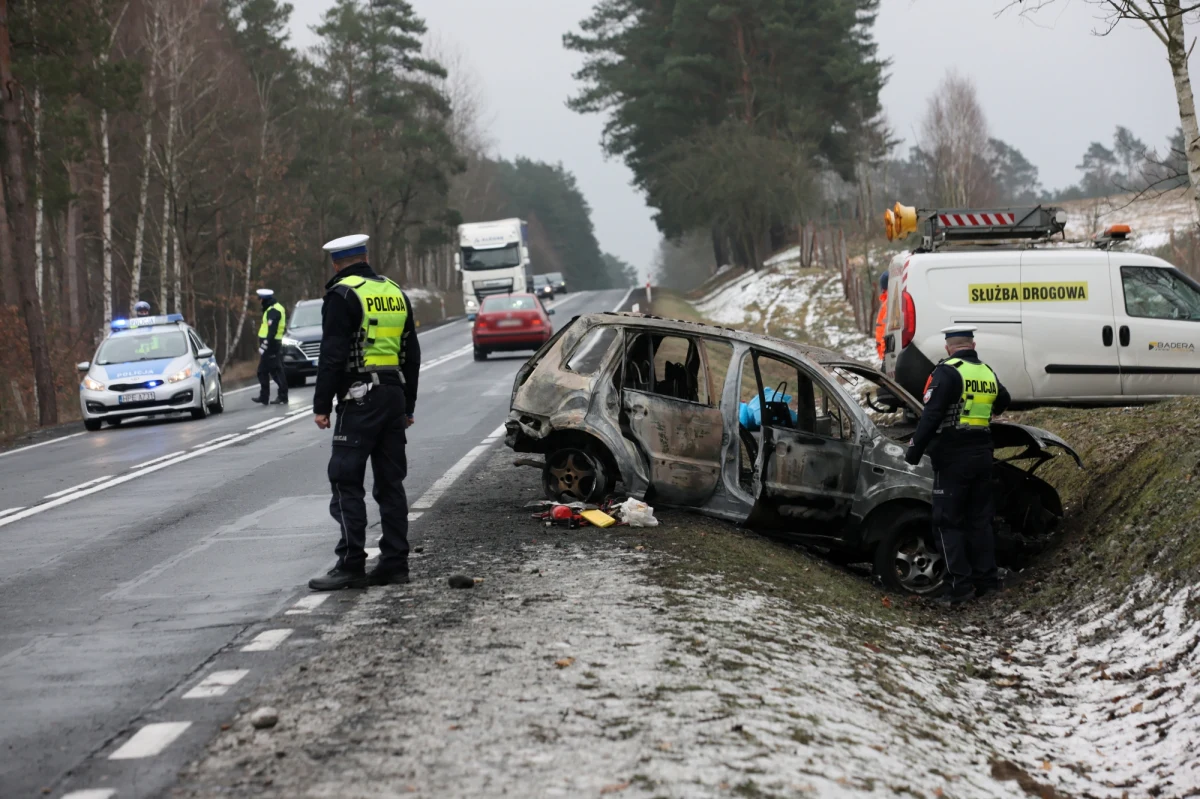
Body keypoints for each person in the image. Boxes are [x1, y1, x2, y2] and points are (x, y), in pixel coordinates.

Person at [308, 234, 421, 591]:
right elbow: (412, 354)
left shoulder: (342, 295)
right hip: (393, 395)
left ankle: (351, 564)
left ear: (336, 263)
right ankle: (394, 564)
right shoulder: (394, 291)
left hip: (360, 399)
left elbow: (332, 355)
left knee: (345, 480)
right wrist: (409, 405)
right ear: (366, 256)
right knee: (390, 484)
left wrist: (322, 405)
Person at [904, 326, 1011, 606]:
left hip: (954, 456)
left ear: (949, 347)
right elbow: (1003, 401)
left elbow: (932, 414)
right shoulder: (987, 372)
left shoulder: (948, 371)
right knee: (979, 521)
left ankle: (959, 588)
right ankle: (987, 581)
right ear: (972, 344)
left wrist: (914, 450)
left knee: (947, 522)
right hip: (982, 453)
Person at [252, 288, 288, 405]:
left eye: (261, 299)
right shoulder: (273, 308)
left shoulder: (273, 311)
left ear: (264, 299)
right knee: (263, 371)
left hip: (271, 345)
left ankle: (282, 395)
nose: (260, 302)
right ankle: (264, 396)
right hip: (271, 344)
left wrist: (265, 344)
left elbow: (272, 330)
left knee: (275, 371)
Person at [874, 272, 888, 363]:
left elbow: (886, 331)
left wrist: (884, 355)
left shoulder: (888, 303)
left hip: (887, 354)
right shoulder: (887, 301)